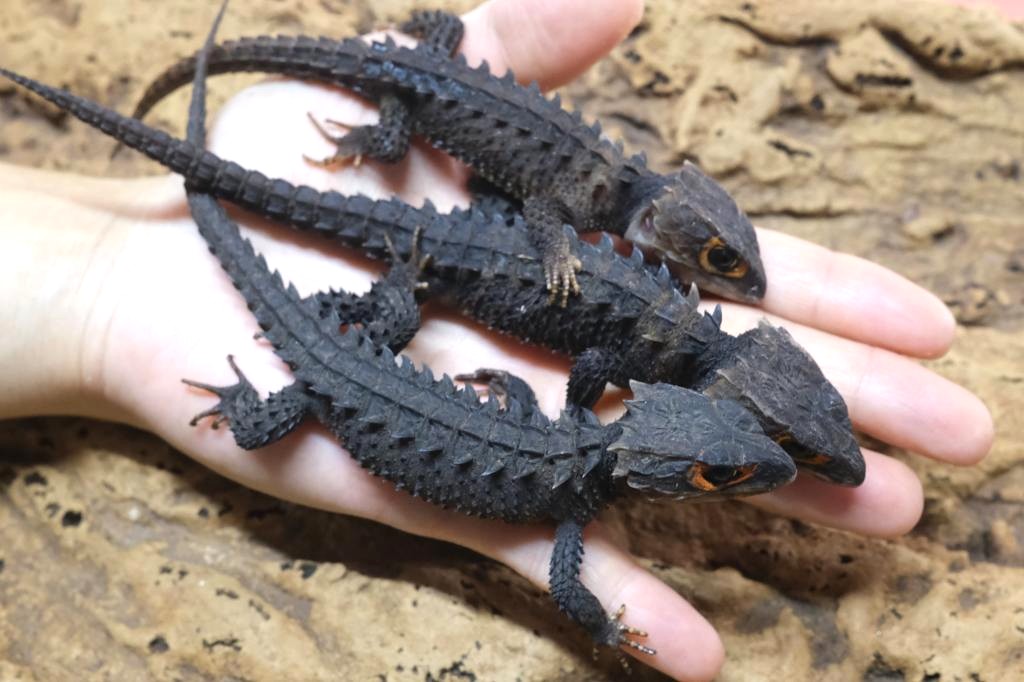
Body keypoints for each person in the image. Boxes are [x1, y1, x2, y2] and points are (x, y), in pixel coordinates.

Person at [0, 0, 998, 679]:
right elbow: (576, 429)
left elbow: (577, 375)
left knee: (295, 272)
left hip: (410, 320)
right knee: (286, 271)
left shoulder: (608, 413)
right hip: (413, 307)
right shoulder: (597, 442)